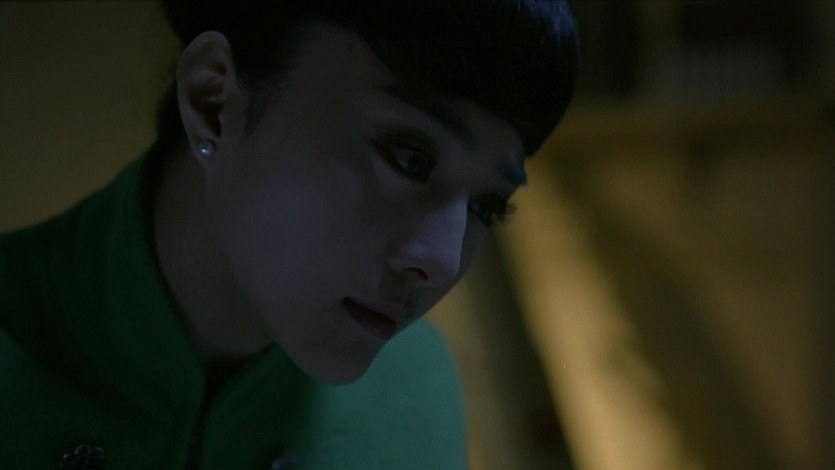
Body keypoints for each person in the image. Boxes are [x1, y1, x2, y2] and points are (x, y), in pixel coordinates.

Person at [0, 0, 578, 468]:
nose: (443, 262)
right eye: (409, 158)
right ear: (212, 100)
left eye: (487, 207)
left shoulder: (415, 393)